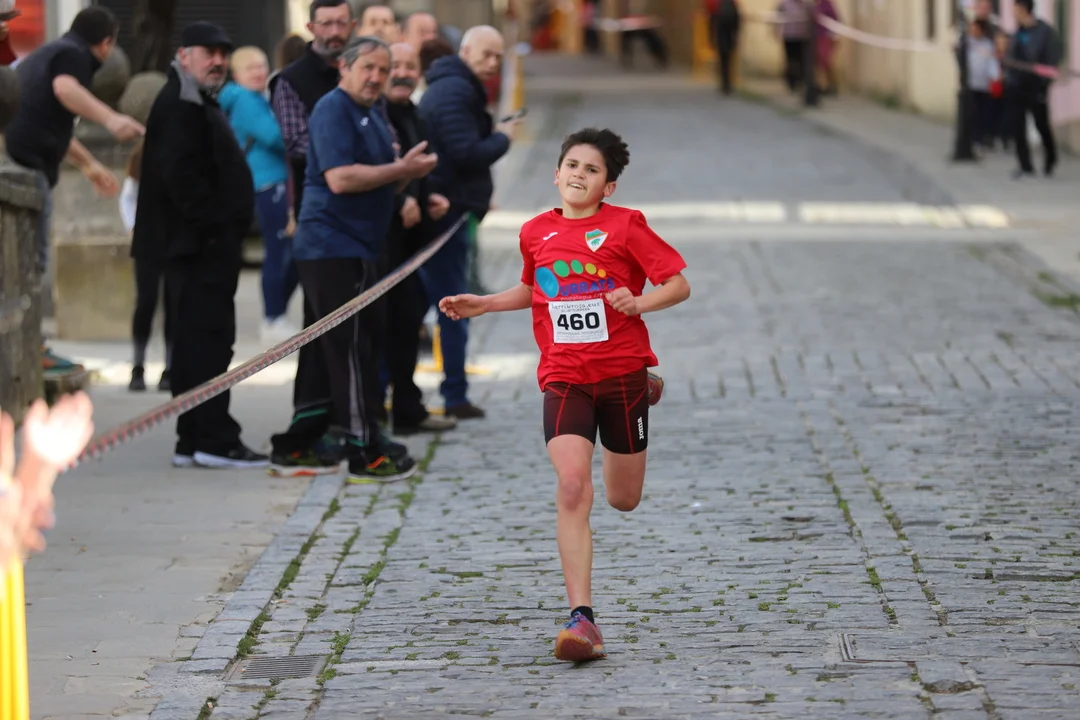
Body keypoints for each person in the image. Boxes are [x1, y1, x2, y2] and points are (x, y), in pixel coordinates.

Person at [438, 128, 690, 661]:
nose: (579, 174)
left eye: (591, 169)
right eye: (572, 165)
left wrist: (639, 304)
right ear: (556, 174)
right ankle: (583, 620)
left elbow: (677, 283)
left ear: (608, 186)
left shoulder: (626, 225)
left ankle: (646, 386)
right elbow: (536, 289)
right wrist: (485, 303)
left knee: (623, 499)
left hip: (621, 374)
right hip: (564, 376)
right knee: (573, 486)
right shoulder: (536, 232)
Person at [269, 36, 437, 483]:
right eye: (368, 68)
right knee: (350, 349)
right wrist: (402, 171)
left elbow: (383, 179)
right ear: (345, 67)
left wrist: (410, 178)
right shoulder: (332, 109)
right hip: (331, 246)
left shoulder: (374, 111)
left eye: (383, 70)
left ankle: (312, 440)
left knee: (344, 348)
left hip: (363, 244)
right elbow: (340, 179)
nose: (376, 77)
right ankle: (363, 450)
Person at [134, 22, 267, 469]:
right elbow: (182, 178)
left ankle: (193, 439)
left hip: (202, 247)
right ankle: (212, 438)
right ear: (184, 55)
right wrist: (216, 230)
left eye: (223, 53)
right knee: (206, 344)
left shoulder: (195, 98)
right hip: (197, 249)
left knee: (200, 343)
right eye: (208, 52)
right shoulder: (180, 102)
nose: (218, 61)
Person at [2, 6, 145, 375]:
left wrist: (89, 164)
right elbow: (64, 89)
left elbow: (48, 123)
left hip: (22, 157)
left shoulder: (50, 53)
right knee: (33, 261)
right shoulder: (75, 55)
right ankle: (33, 347)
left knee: (25, 261)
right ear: (107, 43)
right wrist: (111, 119)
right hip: (27, 167)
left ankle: (30, 345)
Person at [419, 25, 520, 421]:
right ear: (465, 51)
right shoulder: (455, 90)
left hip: (451, 209)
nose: (493, 63)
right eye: (486, 54)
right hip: (445, 216)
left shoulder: (457, 87)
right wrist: (503, 136)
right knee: (452, 305)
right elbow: (466, 152)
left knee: (437, 304)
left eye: (498, 56)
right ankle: (454, 395)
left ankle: (446, 393)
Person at [380, 41, 458, 436]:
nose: (402, 73)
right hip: (377, 241)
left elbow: (421, 172)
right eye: (394, 66)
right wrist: (403, 198)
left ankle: (407, 410)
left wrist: (428, 199)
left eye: (410, 66)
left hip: (409, 245)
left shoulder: (414, 114)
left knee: (407, 324)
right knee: (379, 330)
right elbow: (373, 171)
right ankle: (372, 414)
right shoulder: (376, 115)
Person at [220, 46, 298, 343]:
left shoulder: (257, 97)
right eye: (250, 68)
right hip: (267, 184)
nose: (258, 72)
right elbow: (278, 137)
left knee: (287, 251)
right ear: (236, 74)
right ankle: (273, 317)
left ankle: (276, 314)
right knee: (279, 251)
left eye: (261, 65)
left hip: (272, 181)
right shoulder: (245, 100)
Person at [121, 139, 172, 393]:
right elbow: (127, 197)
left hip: (173, 240)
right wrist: (132, 227)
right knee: (146, 302)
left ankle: (170, 367)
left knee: (173, 304)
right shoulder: (142, 158)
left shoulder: (178, 155)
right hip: (148, 241)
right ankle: (138, 365)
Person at [1005, 0, 1061, 179]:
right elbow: (1011, 57)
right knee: (1017, 126)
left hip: (1035, 86)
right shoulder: (1018, 32)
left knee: (1041, 124)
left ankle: (1050, 158)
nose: (1014, 14)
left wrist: (1044, 83)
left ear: (1024, 9)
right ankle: (1025, 165)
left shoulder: (1044, 32)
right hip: (1016, 86)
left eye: (1016, 10)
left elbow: (1052, 60)